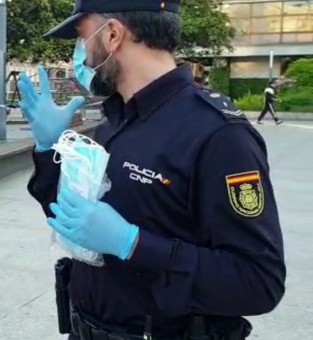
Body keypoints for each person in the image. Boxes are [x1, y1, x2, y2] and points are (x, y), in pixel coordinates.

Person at [18, 1, 286, 339]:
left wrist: (134, 244)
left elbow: (258, 281)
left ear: (113, 34)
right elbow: (72, 217)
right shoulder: (115, 120)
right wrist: (49, 150)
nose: (81, 57)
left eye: (82, 39)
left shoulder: (218, 135)